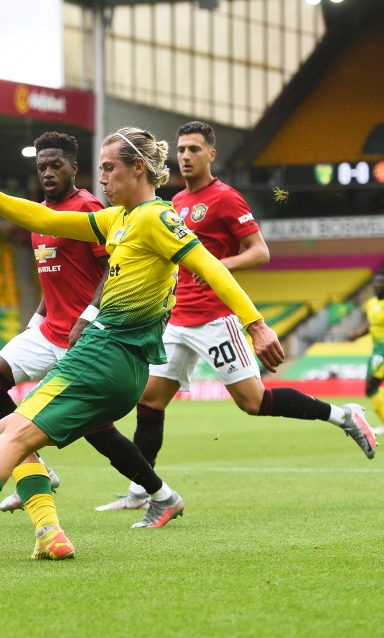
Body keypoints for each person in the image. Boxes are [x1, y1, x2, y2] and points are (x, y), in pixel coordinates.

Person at [0, 126, 286, 568]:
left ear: (137, 168)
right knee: (6, 431)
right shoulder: (117, 219)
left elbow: (209, 266)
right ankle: (49, 533)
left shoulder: (154, 218)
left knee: (12, 436)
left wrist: (256, 326)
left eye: (109, 168)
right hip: (115, 362)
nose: (101, 179)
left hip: (104, 356)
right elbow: (44, 219)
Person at [96, 122, 377, 512]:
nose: (186, 156)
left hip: (215, 319)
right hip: (178, 318)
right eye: (181, 150)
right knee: (150, 401)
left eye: (195, 149)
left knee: (252, 401)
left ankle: (343, 415)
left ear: (211, 155)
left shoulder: (225, 198)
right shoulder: (173, 203)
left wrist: (216, 263)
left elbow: (260, 252)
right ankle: (143, 491)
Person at [0, 132, 109, 512]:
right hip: (48, 331)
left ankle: (157, 492)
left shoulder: (88, 207)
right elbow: (57, 281)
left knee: (100, 432)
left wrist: (90, 315)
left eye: (56, 165)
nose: (48, 173)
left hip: (83, 336)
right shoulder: (36, 216)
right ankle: (34, 469)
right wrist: (34, 323)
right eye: (41, 167)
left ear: (74, 168)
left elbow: (111, 268)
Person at [349, 269, 384, 434]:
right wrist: (358, 335)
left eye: (381, 282)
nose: (378, 285)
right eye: (376, 282)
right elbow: (371, 326)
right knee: (371, 388)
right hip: (376, 350)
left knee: (371, 385)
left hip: (383, 351)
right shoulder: (371, 303)